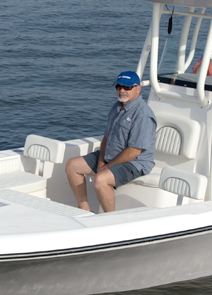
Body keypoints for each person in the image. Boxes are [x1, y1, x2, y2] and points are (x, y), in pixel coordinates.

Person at [64, 71, 157, 213]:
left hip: (135, 163)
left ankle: (110, 218)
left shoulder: (143, 115)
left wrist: (107, 167)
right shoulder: (116, 107)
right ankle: (84, 209)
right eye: (118, 87)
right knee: (72, 165)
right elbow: (106, 138)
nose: (122, 91)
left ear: (138, 89)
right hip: (110, 156)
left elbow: (134, 151)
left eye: (127, 87)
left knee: (101, 179)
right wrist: (101, 161)